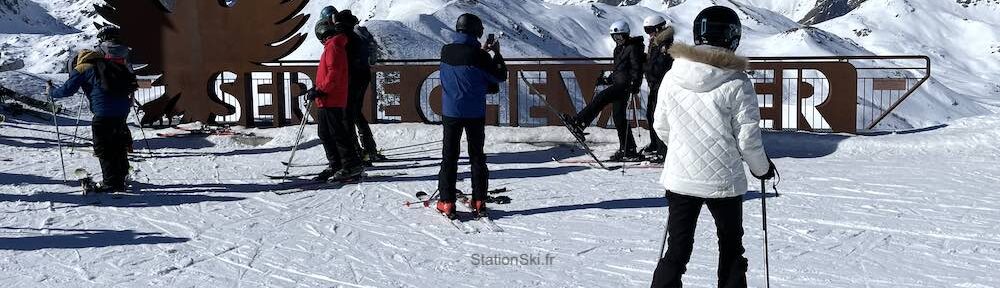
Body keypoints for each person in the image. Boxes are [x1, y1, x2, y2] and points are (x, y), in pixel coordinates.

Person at [649, 6, 776, 288]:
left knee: (677, 250)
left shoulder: (672, 75)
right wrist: (762, 169)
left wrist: (684, 149)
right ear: (733, 38)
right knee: (731, 248)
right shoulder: (738, 82)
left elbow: (660, 126)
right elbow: (747, 139)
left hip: (681, 177)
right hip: (724, 180)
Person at [435, 13, 508, 218]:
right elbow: (498, 76)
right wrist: (496, 55)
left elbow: (463, 69)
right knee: (477, 157)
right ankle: (479, 201)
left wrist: (480, 53)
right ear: (477, 32)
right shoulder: (481, 57)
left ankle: (446, 202)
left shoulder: (446, 51)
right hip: (475, 113)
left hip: (451, 112)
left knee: (449, 157)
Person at [50, 49, 138, 193]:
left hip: (104, 112)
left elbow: (67, 90)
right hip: (122, 110)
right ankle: (121, 177)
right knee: (118, 144)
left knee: (104, 148)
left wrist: (51, 92)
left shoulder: (83, 68)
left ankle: (111, 183)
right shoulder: (109, 64)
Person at [565, 20, 645, 162]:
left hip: (625, 85)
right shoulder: (618, 49)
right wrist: (607, 80)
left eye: (620, 36)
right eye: (615, 37)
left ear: (626, 35)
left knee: (601, 98)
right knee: (619, 117)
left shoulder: (633, 48)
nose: (617, 40)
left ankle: (580, 123)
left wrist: (635, 83)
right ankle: (629, 150)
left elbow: (636, 68)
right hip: (619, 83)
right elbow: (619, 70)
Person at [315, 7, 386, 164]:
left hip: (351, 78)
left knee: (347, 116)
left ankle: (355, 154)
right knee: (356, 114)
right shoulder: (354, 30)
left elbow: (337, 64)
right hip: (363, 75)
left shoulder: (340, 33)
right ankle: (369, 149)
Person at [308, 10, 365, 183]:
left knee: (336, 133)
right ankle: (337, 164)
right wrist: (319, 89)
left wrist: (321, 89)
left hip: (330, 97)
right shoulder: (333, 45)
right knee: (326, 133)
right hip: (327, 97)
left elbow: (334, 73)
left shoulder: (333, 46)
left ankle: (350, 164)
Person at [641, 16, 674, 164]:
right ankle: (655, 144)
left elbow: (659, 67)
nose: (649, 34)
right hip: (654, 85)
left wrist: (644, 66)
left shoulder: (664, 44)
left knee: (659, 117)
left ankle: (663, 151)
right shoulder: (655, 43)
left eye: (650, 30)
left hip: (661, 84)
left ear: (658, 29)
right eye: (646, 30)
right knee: (650, 114)